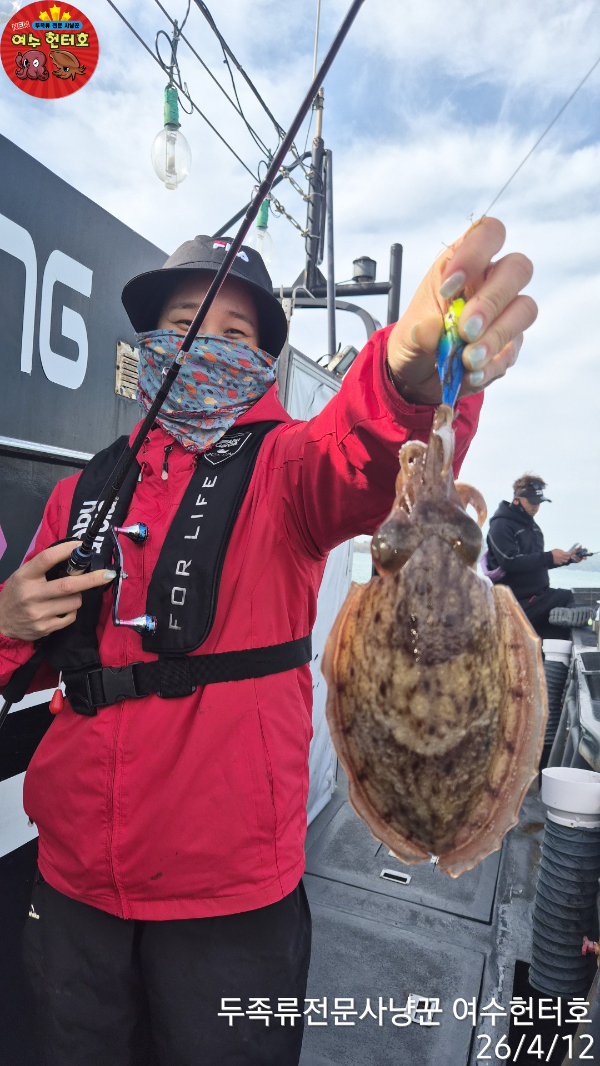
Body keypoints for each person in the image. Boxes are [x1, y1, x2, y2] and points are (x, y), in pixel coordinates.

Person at [0, 218, 536, 1066]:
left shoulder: (288, 470)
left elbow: (364, 451)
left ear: (263, 361)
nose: (202, 346)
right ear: (148, 342)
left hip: (229, 898)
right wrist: (5, 619)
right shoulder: (84, 492)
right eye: (182, 326)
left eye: (233, 333)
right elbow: (27, 655)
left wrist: (407, 374)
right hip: (73, 884)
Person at [485, 473, 591, 640]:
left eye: (539, 503)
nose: (535, 507)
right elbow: (509, 562)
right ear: (517, 499)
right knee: (569, 597)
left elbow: (535, 562)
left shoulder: (534, 528)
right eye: (532, 502)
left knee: (558, 634)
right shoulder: (501, 525)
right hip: (516, 602)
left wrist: (568, 558)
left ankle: (556, 629)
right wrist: (549, 557)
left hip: (539, 597)